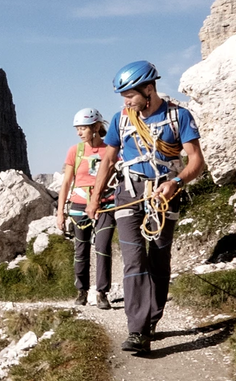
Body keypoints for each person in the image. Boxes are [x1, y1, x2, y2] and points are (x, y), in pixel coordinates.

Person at [85, 61, 206, 354]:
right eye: (123, 96)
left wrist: (175, 182)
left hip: (165, 194)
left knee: (159, 259)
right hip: (129, 194)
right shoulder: (121, 120)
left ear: (149, 89)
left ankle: (152, 317)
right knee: (134, 260)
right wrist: (95, 197)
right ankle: (137, 330)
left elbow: (197, 162)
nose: (126, 101)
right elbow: (108, 160)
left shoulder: (179, 117)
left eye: (130, 95)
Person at [56, 108, 116, 310]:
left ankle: (102, 293)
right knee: (81, 251)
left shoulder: (110, 150)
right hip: (79, 205)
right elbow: (66, 182)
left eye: (83, 128)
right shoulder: (75, 151)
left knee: (103, 247)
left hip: (106, 203)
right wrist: (60, 212)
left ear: (96, 127)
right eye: (77, 129)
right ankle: (82, 290)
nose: (79, 132)